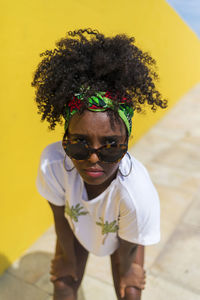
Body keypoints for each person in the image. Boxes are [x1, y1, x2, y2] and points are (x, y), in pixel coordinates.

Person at [32, 28, 167, 300]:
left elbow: (130, 246)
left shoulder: (137, 193)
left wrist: (130, 270)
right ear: (64, 138)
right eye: (79, 143)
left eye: (110, 146)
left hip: (123, 238)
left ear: (127, 143)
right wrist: (67, 259)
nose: (93, 158)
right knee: (63, 281)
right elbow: (60, 218)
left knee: (130, 290)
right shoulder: (52, 164)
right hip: (77, 224)